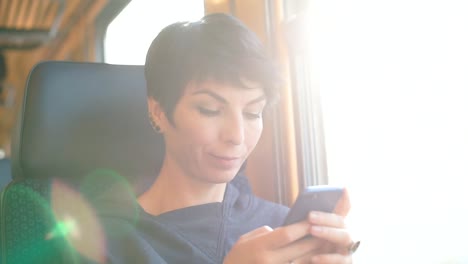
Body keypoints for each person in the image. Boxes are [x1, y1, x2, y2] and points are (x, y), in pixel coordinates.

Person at [100, 13, 356, 264]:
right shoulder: (106, 244)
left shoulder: (283, 229)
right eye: (210, 110)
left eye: (253, 113)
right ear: (159, 112)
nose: (237, 136)